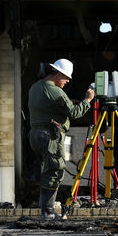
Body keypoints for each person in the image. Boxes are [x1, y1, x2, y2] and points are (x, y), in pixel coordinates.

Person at [28, 58, 95, 220]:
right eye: (66, 78)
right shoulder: (55, 91)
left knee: (48, 171)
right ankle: (48, 213)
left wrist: (68, 103)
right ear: (57, 74)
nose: (67, 82)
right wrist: (87, 100)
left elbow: (49, 106)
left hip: (36, 134)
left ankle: (46, 210)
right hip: (50, 136)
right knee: (54, 171)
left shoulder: (35, 87)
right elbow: (74, 113)